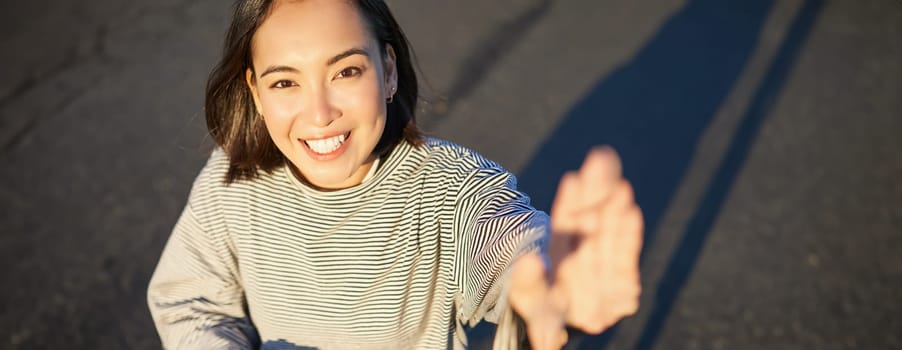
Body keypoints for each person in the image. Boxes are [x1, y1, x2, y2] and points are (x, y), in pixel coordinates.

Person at [147, 0, 643, 349]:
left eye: (346, 72)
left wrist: (555, 286)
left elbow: (510, 241)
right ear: (255, 91)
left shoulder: (452, 189)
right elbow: (191, 301)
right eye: (285, 82)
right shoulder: (232, 181)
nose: (319, 114)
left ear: (387, 70)